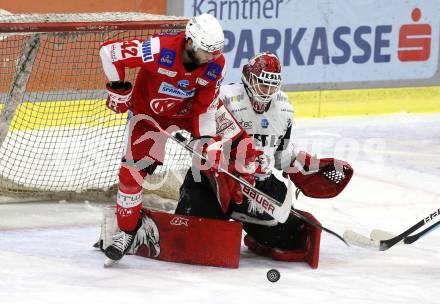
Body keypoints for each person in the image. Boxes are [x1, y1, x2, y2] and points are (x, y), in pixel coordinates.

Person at [175, 52, 353, 266]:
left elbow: (281, 155)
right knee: (197, 241)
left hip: (258, 188)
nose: (267, 92)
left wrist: (305, 166)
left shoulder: (284, 108)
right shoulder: (224, 97)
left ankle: (258, 235)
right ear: (249, 79)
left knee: (293, 240)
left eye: (271, 86)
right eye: (262, 85)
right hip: (214, 183)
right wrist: (213, 153)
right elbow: (197, 138)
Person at [99, 13, 230, 263]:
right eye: (207, 52)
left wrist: (207, 140)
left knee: (224, 151)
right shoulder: (159, 49)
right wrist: (119, 87)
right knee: (131, 174)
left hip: (186, 116)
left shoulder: (215, 64)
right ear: (190, 43)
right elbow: (110, 52)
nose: (212, 58)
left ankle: (235, 207)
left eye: (216, 52)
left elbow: (206, 106)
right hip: (148, 118)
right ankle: (126, 231)